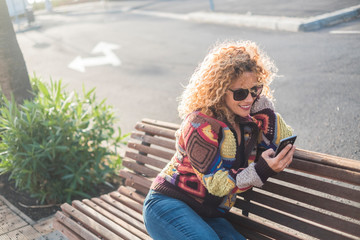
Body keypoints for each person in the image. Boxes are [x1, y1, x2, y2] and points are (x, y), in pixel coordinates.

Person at [143, 40, 296, 240]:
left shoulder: (247, 122)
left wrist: (265, 109)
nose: (249, 99)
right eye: (240, 92)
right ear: (220, 89)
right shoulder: (199, 125)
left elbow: (282, 139)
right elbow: (216, 183)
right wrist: (262, 170)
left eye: (255, 90)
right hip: (167, 205)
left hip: (207, 214)